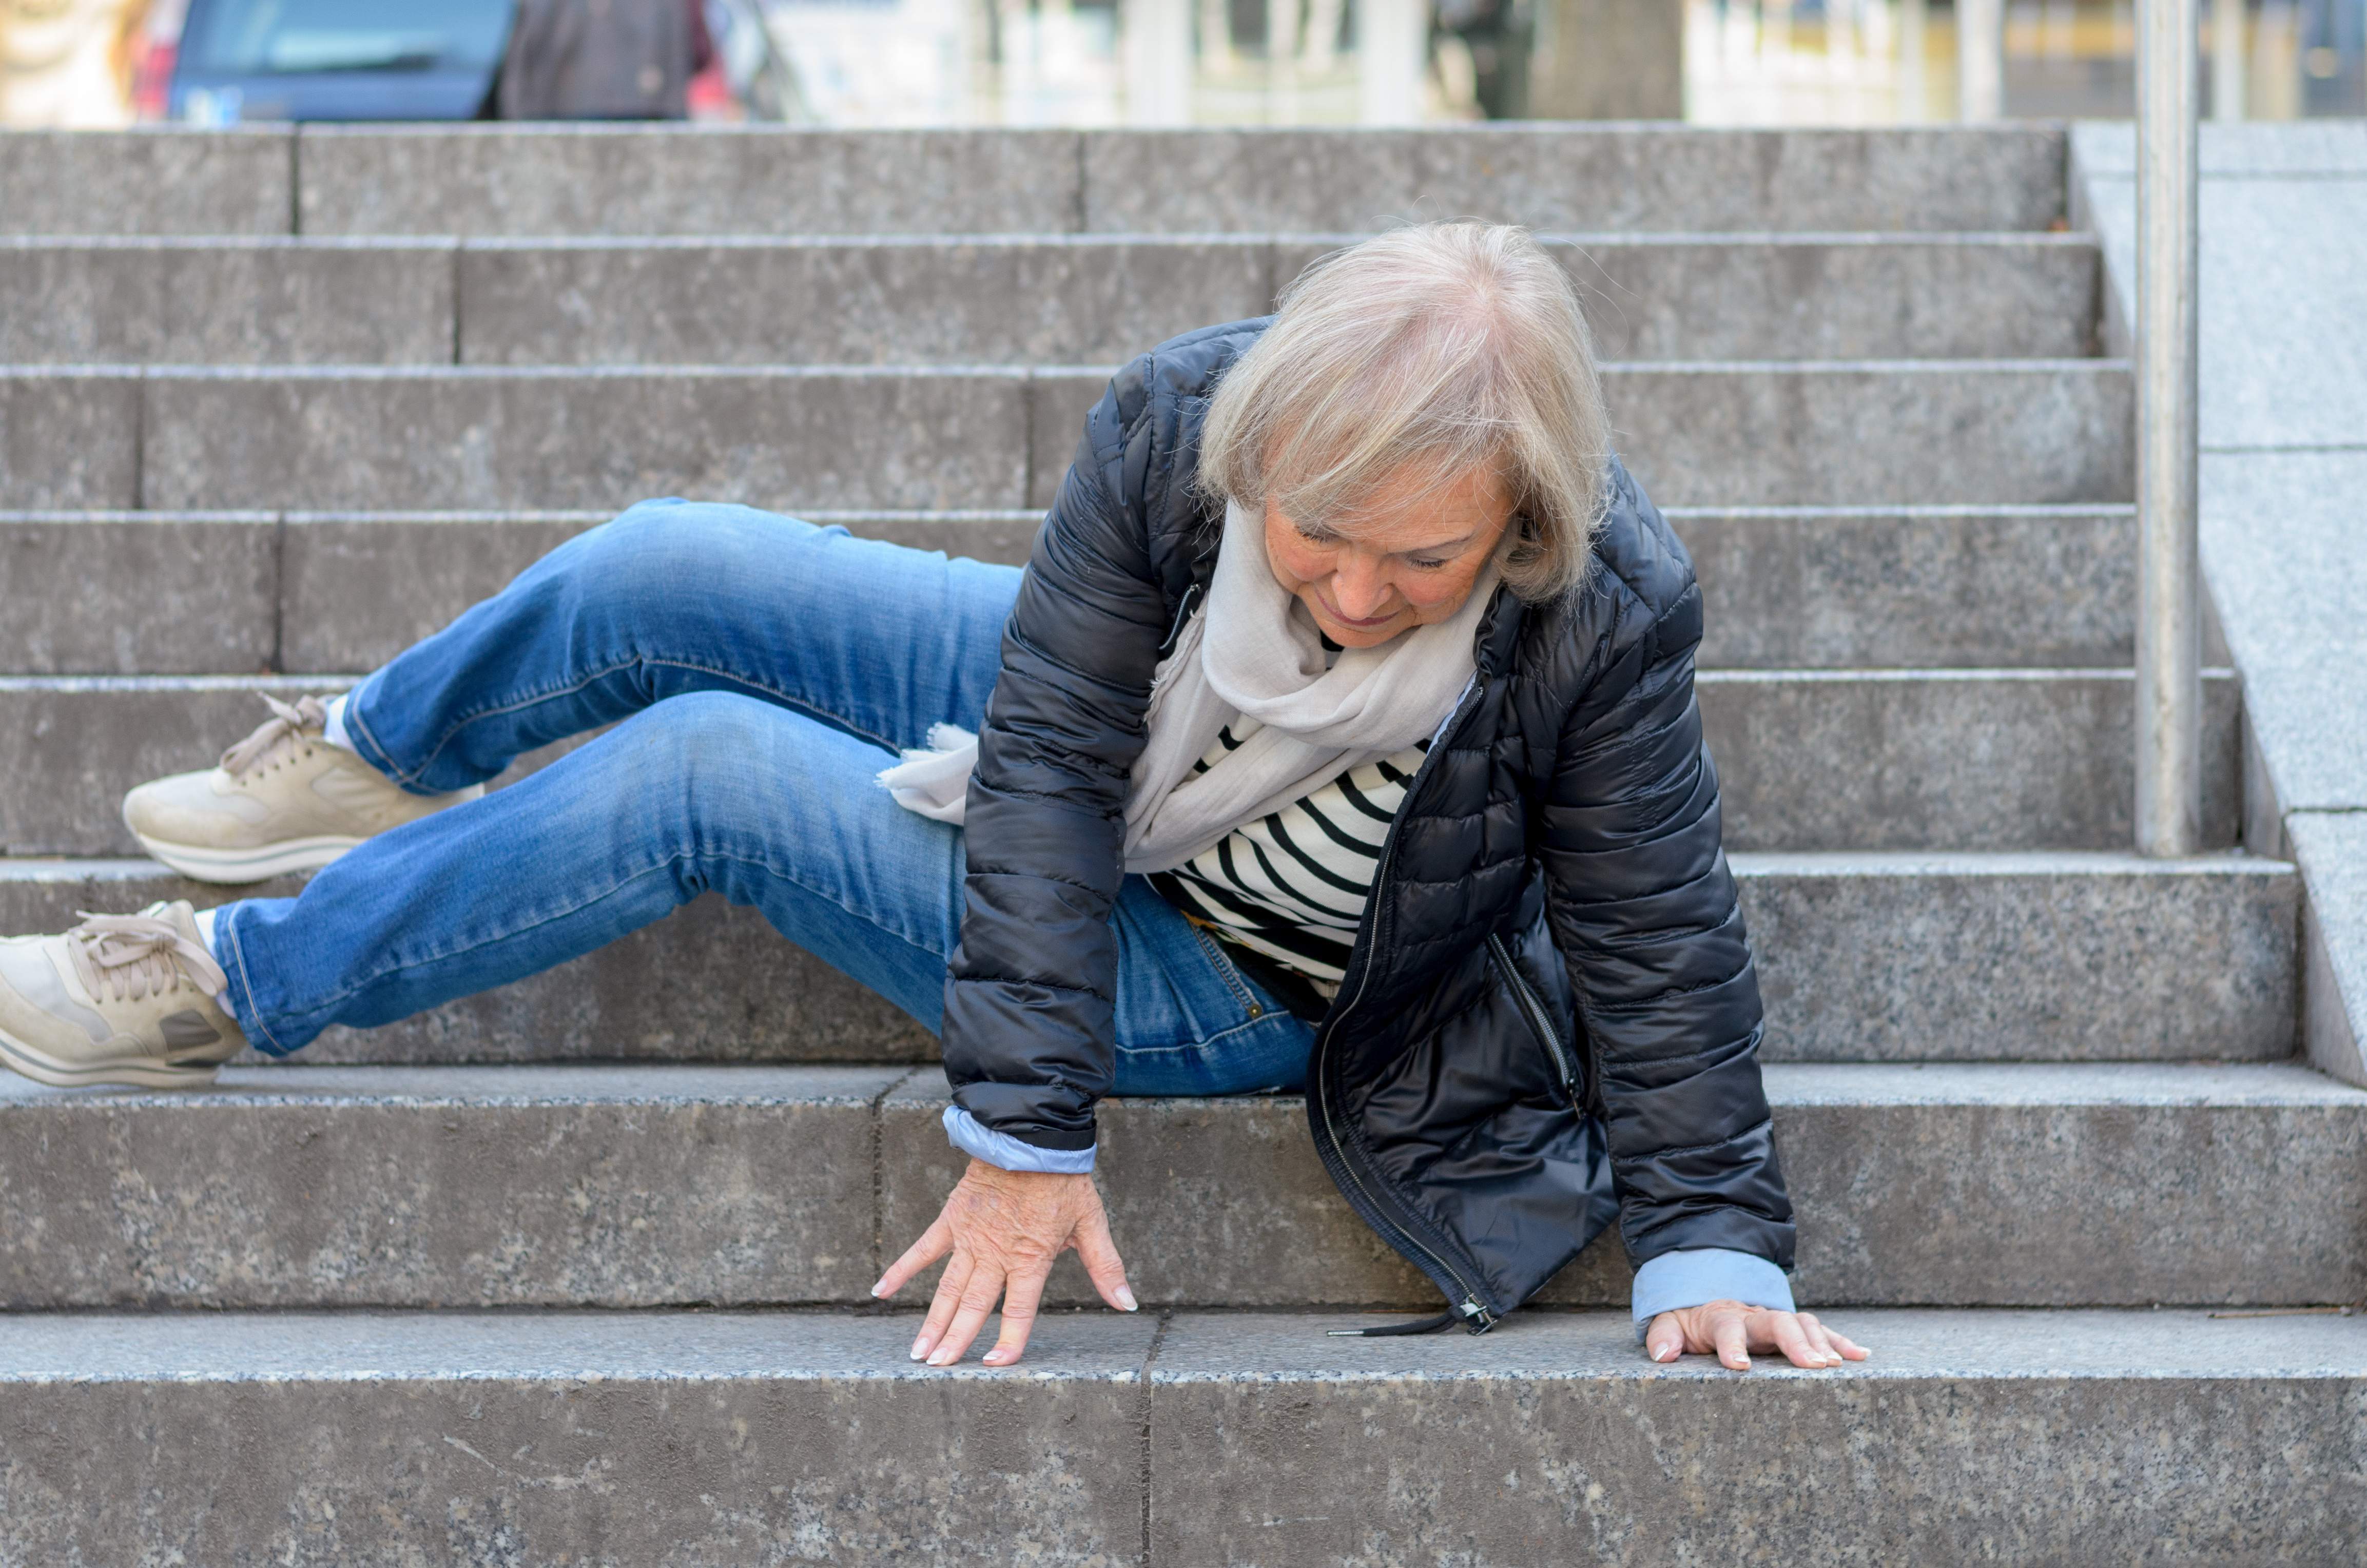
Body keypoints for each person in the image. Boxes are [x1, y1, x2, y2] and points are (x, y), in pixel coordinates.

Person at [0, 222, 1867, 1375]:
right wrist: (1022, 1129)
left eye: (1424, 560)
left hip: (1233, 976)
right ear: (1253, 452)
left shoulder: (1595, 604)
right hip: (1149, 733)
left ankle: (230, 980)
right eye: (1318, 536)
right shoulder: (1177, 427)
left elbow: (1651, 924)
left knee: (709, 764)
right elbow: (1050, 760)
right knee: (672, 562)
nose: (1360, 594)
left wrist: (1709, 1233)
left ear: (1519, 516)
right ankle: (376, 755)